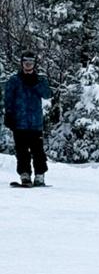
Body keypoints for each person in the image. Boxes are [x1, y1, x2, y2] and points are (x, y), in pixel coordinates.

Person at [3, 51, 53, 187]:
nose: (28, 65)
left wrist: (36, 83)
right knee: (22, 151)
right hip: (19, 123)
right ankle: (24, 174)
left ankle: (40, 175)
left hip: (35, 123)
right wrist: (8, 114)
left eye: (31, 63)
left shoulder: (40, 80)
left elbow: (47, 95)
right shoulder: (14, 80)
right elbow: (8, 99)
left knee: (38, 151)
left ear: (34, 64)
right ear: (22, 63)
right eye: (26, 63)